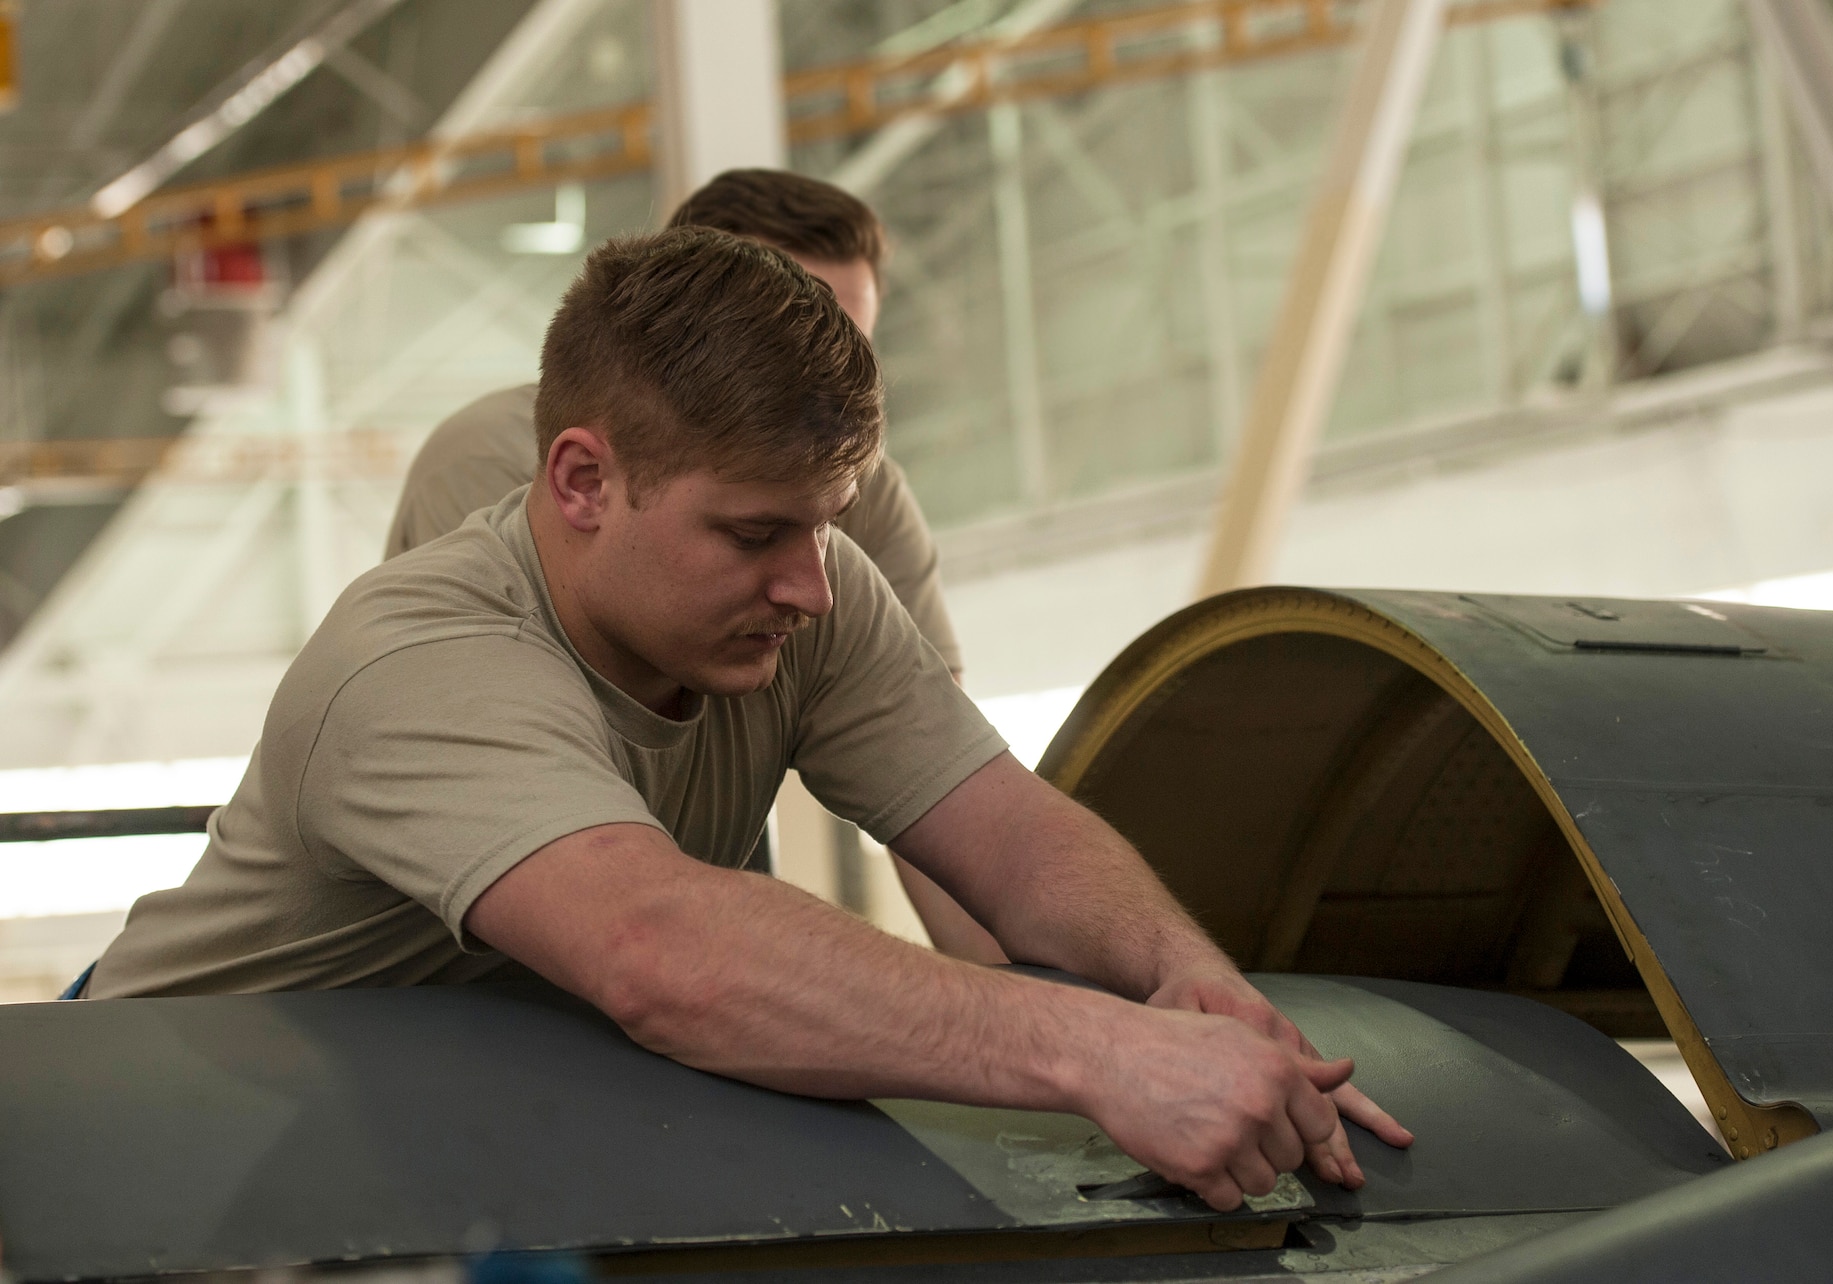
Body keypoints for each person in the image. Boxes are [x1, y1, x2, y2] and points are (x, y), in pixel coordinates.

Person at [87, 228, 1411, 1212]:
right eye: (753, 533)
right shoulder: (415, 662)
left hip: (435, 1141)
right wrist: (1104, 1052)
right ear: (584, 480)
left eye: (826, 528)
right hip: (136, 1138)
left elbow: (1007, 837)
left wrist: (1182, 979)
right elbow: (668, 952)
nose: (809, 584)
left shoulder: (802, 609)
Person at [384, 169, 999, 963]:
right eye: (778, 334)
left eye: (848, 344)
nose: (827, 382)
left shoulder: (862, 488)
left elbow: (933, 779)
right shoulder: (482, 468)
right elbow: (608, 908)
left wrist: (1039, 1004)